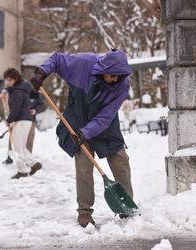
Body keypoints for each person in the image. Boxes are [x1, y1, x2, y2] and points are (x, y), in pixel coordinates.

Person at [29, 49, 134, 227]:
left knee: (120, 162)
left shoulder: (122, 84)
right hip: (77, 119)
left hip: (105, 125)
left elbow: (105, 116)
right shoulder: (83, 64)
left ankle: (126, 206)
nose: (116, 79)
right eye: (113, 75)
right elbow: (58, 59)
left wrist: (87, 132)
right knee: (84, 167)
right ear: (104, 70)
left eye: (120, 76)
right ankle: (84, 213)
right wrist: (42, 72)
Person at [3, 68, 42, 179]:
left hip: (21, 120)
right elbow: (10, 91)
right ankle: (33, 164)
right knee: (21, 146)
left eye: (9, 79)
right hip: (25, 120)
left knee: (17, 147)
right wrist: (5, 91)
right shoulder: (20, 88)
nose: (7, 82)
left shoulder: (18, 91)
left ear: (15, 79)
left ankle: (24, 169)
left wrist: (9, 120)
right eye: (6, 80)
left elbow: (16, 108)